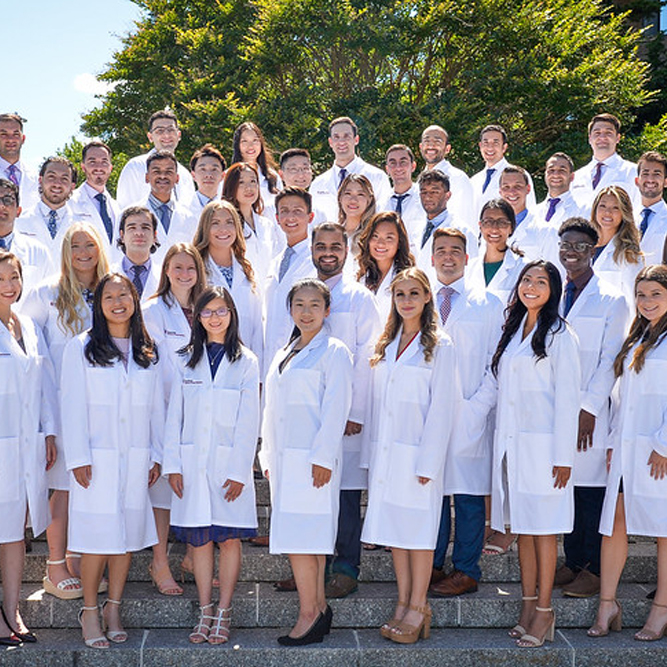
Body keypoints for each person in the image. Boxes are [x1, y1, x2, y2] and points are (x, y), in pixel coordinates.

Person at [60, 272, 165, 649]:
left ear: (135, 301)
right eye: (109, 297)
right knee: (97, 539)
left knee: (126, 539)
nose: (118, 302)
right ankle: (89, 610)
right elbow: (70, 406)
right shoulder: (81, 347)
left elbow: (157, 409)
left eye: (125, 295)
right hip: (96, 461)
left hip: (136, 458)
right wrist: (78, 457)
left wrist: (156, 454)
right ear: (98, 305)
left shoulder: (147, 350)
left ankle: (113, 608)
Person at [486, 260, 580, 648]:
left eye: (541, 282)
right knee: (522, 529)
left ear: (553, 290)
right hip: (513, 448)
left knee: (543, 532)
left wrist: (563, 457)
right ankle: (526, 605)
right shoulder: (513, 330)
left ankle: (544, 611)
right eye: (527, 280)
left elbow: (568, 399)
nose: (531, 286)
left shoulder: (561, 334)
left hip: (545, 452)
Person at [361, 267, 457, 644]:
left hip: (419, 457)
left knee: (417, 535)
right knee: (395, 534)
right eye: (400, 294)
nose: (406, 301)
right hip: (388, 454)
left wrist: (428, 462)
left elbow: (442, 408)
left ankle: (419, 606)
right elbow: (377, 405)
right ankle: (402, 602)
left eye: (413, 294)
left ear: (427, 297)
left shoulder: (440, 345)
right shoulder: (386, 342)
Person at [164, 286, 260, 645]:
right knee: (201, 541)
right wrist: (174, 463)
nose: (215, 317)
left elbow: (250, 420)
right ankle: (204, 610)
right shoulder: (183, 358)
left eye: (221, 310)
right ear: (197, 317)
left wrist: (239, 471)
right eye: (207, 312)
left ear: (232, 314)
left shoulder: (246, 361)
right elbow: (175, 415)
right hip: (192, 464)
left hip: (227, 467)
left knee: (229, 539)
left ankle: (224, 611)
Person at [259, 278, 353, 646]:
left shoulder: (335, 351)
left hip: (313, 462)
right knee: (305, 540)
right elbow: (271, 408)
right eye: (299, 304)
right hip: (286, 461)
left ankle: (308, 613)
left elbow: (336, 407)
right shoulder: (286, 351)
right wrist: (266, 454)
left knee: (304, 541)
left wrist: (322, 457)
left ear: (327, 311)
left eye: (315, 304)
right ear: (290, 309)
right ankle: (320, 608)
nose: (307, 311)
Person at [21, 222, 110, 601]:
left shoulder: (109, 290)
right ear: (65, 252)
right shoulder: (46, 294)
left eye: (90, 245)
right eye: (76, 246)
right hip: (59, 406)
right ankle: (55, 564)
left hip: (102, 408)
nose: (84, 253)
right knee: (62, 487)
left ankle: (75, 558)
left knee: (87, 486)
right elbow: (29, 350)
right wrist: (47, 424)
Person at [589, 264, 667, 641]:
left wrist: (664, 444)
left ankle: (662, 609)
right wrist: (611, 442)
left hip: (658, 450)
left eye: (655, 294)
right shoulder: (637, 339)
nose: (647, 301)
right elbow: (621, 398)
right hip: (625, 448)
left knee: (664, 530)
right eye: (642, 294)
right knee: (614, 523)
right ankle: (608, 602)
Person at [553, 218, 629, 599]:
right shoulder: (553, 291)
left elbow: (611, 357)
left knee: (590, 489)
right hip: (555, 406)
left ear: (594, 250)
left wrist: (589, 408)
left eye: (581, 245)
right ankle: (572, 560)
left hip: (592, 411)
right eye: (566, 244)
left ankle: (594, 569)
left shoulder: (612, 298)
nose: (572, 251)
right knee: (566, 485)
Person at [428, 229, 503, 598]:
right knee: (435, 493)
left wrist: (478, 407)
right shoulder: (421, 299)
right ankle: (433, 565)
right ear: (431, 257)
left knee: (470, 497)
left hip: (472, 411)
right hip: (430, 413)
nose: (448, 257)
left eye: (456, 251)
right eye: (440, 250)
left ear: (467, 257)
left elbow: (496, 360)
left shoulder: (487, 303)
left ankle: (467, 570)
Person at [312, 222, 381, 599]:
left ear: (347, 250)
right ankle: (313, 566)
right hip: (309, 412)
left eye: (335, 246)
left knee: (346, 494)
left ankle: (345, 567)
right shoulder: (302, 292)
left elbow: (368, 356)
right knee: (314, 491)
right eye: (320, 245)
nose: (327, 252)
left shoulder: (359, 298)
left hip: (347, 416)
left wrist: (354, 411)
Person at [0, 251, 56, 646]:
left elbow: (45, 385)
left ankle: (12, 609)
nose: (9, 285)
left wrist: (49, 432)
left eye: (14, 277)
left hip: (25, 446)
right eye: (1, 278)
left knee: (14, 533)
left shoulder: (29, 328)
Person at [192, 200, 263, 366]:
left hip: (245, 360)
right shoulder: (196, 268)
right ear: (205, 228)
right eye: (215, 223)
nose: (223, 229)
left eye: (229, 222)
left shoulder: (247, 269)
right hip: (205, 359)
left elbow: (258, 324)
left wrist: (258, 373)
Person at [263, 187, 316, 378]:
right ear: (277, 218)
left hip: (302, 359)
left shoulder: (316, 261)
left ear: (310, 217)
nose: (290, 217)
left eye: (297, 211)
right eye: (284, 211)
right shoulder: (275, 261)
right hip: (270, 359)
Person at [310, 116, 391, 220]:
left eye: (346, 136)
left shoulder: (377, 177)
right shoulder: (318, 184)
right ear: (330, 142)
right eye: (336, 137)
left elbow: (383, 218)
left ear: (356, 140)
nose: (341, 141)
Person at [116, 109, 196, 209]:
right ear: (150, 137)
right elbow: (124, 209)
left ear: (178, 135)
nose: (166, 135)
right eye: (160, 131)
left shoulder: (185, 175)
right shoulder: (135, 167)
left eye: (171, 130)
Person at [132, 150, 197, 267]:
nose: (162, 176)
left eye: (169, 172)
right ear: (147, 177)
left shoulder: (190, 218)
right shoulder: (130, 216)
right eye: (156, 171)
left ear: (177, 178)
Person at [415, 169, 476, 282]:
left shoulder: (463, 230)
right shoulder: (416, 227)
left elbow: (472, 273)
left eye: (435, 192)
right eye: (424, 192)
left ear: (447, 195)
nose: (428, 197)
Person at [571, 113, 639, 214]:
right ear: (590, 139)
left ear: (618, 138)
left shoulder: (634, 172)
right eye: (597, 133)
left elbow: (639, 211)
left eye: (608, 133)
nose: (602, 137)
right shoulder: (576, 177)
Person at [222, 161, 277, 283]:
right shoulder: (226, 226)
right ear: (231, 186)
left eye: (253, 181)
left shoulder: (266, 224)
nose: (249, 188)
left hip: (267, 291)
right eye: (241, 182)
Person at [356, 211, 415, 324]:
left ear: (399, 242)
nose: (381, 244)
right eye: (375, 236)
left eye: (389, 238)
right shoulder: (358, 277)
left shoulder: (410, 279)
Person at [590, 185, 644, 306]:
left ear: (624, 213)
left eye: (615, 208)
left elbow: (633, 299)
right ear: (595, 210)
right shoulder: (583, 247)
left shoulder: (630, 254)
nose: (607, 212)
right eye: (602, 206)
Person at [15, 156, 77, 262]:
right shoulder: (19, 222)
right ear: (40, 180)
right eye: (51, 177)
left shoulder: (81, 225)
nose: (57, 184)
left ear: (72, 186)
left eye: (64, 179)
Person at [466, 199, 526, 306]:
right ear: (480, 226)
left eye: (502, 223)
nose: (494, 228)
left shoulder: (523, 268)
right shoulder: (469, 268)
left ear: (511, 227)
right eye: (488, 222)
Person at [70, 141, 121, 259]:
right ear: (83, 167)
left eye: (104, 162)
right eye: (92, 162)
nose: (99, 167)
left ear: (110, 167)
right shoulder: (71, 203)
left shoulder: (116, 206)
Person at [0, 178, 52, 294]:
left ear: (18, 211)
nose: (1, 205)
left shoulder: (39, 252)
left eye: (7, 200)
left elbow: (49, 298)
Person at [470, 124, 536, 215]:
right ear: (480, 146)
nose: (490, 147)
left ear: (504, 147)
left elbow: (530, 210)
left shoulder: (519, 175)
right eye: (486, 143)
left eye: (495, 143)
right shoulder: (474, 180)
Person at [499, 165, 559, 265]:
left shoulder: (545, 231)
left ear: (528, 189)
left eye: (517, 186)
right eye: (506, 187)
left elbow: (554, 272)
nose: (512, 192)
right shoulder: (490, 230)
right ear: (500, 191)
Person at [419, 126, 475, 229]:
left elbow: (466, 222)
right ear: (421, 147)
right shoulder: (419, 180)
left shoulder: (458, 179)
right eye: (427, 141)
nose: (431, 146)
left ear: (447, 149)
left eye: (437, 141)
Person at [379, 144, 426, 241]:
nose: (398, 168)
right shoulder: (380, 203)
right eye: (393, 163)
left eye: (403, 162)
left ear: (413, 166)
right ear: (387, 169)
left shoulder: (426, 199)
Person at [114, 206, 162, 303]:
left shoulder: (165, 276)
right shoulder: (109, 273)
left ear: (155, 236)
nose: (139, 233)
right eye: (132, 228)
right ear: (122, 235)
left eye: (145, 227)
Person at [231, 122, 282, 204]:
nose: (250, 146)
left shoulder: (273, 177)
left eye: (255, 140)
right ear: (237, 145)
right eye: (244, 141)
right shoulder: (229, 176)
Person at [534, 153, 586, 230]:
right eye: (551, 170)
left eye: (562, 170)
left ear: (572, 177)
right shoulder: (534, 211)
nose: (556, 175)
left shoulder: (582, 211)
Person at [0, 113, 39, 210]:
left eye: (16, 134)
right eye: (3, 134)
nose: (10, 139)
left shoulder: (35, 178)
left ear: (23, 139)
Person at [634, 151, 667, 265]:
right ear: (637, 181)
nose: (650, 179)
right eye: (645, 173)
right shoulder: (625, 217)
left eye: (657, 174)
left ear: (665, 182)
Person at [337, 173, 376, 265]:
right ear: (340, 198)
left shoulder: (373, 234)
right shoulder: (333, 232)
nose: (353, 200)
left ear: (369, 199)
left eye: (360, 194)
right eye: (348, 193)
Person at [186, 144, 226, 219]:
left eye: (214, 169)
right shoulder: (182, 209)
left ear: (222, 176)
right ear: (193, 175)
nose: (208, 175)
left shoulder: (230, 208)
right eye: (203, 169)